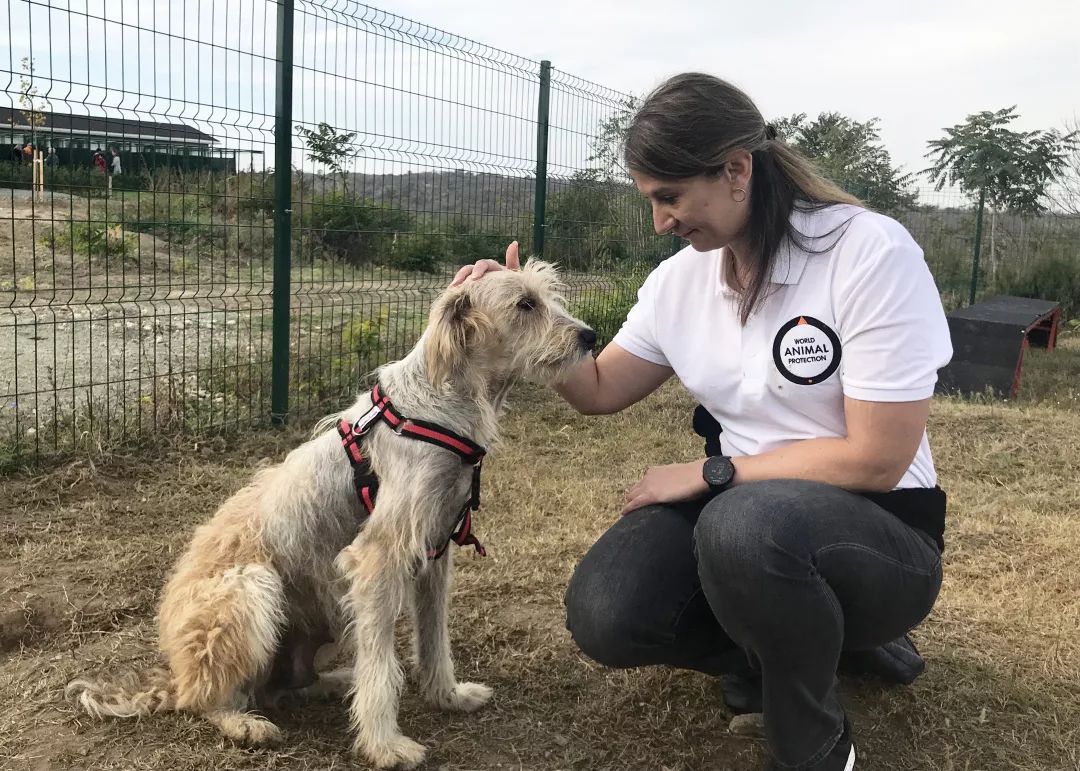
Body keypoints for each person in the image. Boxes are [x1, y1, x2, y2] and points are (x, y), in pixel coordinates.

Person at [452, 72, 951, 771]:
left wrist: (716, 471)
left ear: (737, 170)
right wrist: (525, 314)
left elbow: (878, 457)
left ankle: (811, 738)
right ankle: (789, 646)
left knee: (742, 522)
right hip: (749, 526)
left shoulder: (867, 252)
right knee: (606, 608)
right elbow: (597, 388)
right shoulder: (681, 281)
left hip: (882, 531)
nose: (660, 221)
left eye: (669, 197)